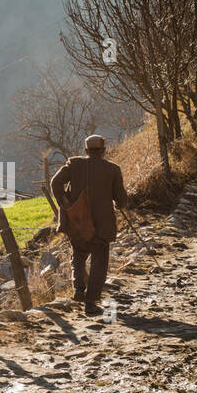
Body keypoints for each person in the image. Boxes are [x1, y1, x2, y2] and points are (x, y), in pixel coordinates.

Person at [50, 133, 128, 316]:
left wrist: (67, 204)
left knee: (78, 255)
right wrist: (119, 201)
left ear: (86, 151)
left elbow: (55, 183)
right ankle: (90, 303)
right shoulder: (113, 169)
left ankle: (78, 288)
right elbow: (121, 200)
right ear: (103, 150)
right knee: (99, 263)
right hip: (102, 225)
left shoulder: (74, 164)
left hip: (76, 222)